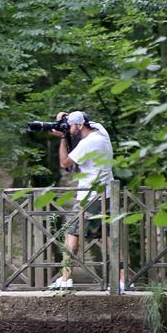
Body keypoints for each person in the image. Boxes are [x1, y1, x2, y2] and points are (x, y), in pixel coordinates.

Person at [47, 110, 122, 291]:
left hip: (89, 197)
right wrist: (64, 122)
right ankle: (123, 281)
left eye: (71, 127)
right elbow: (88, 123)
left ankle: (65, 280)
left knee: (71, 236)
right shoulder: (101, 131)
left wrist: (63, 138)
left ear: (80, 126)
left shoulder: (88, 144)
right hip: (107, 194)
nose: (69, 129)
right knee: (111, 239)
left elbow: (65, 162)